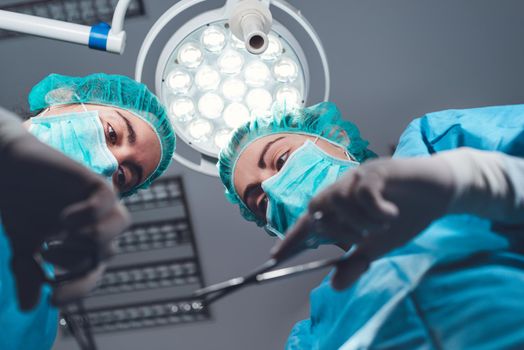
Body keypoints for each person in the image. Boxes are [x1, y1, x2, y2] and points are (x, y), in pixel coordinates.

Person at [217, 102, 524, 349]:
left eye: (281, 159)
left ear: (337, 137)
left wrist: (483, 179)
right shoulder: (313, 336)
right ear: (276, 229)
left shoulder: (437, 143)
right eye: (261, 203)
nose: (274, 188)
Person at [0, 73, 176, 349]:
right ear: (62, 98)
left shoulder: (35, 305)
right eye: (111, 133)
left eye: (122, 175)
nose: (107, 163)